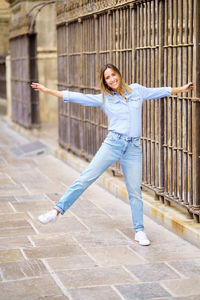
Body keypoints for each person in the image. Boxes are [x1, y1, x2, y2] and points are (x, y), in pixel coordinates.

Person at [31, 63, 193, 246]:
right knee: (85, 178)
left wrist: (183, 89)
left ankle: (139, 231)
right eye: (107, 78)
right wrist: (48, 91)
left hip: (133, 148)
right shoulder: (104, 99)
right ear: (105, 82)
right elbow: (78, 97)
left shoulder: (137, 91)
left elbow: (160, 91)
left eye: (113, 75)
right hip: (113, 144)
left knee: (134, 191)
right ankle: (56, 211)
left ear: (119, 74)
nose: (112, 79)